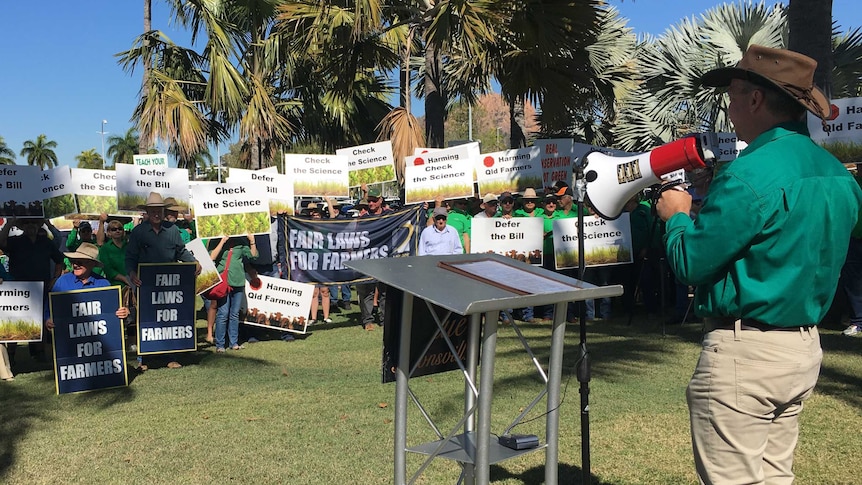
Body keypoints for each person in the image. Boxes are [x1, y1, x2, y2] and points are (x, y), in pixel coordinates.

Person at [656, 45, 862, 485]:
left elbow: (690, 262)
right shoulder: (837, 174)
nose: (728, 109)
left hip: (745, 354)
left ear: (754, 100)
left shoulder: (749, 173)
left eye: (731, 96)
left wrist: (675, 216)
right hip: (803, 352)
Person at [126, 192, 200, 369]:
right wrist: (131, 273)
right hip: (145, 285)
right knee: (146, 319)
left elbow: (181, 251)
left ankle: (171, 357)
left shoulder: (173, 230)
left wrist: (193, 262)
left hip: (170, 283)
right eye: (152, 211)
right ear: (147, 212)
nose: (156, 214)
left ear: (163, 210)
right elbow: (129, 257)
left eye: (159, 210)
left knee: (170, 318)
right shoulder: (138, 232)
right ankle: (145, 360)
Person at [0, 218, 65, 363]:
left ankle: (39, 353)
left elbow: (59, 260)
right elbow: (1, 242)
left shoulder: (46, 242)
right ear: (22, 226)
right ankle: (11, 356)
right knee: (14, 322)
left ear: (38, 225)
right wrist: (10, 222)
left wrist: (55, 278)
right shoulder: (15, 241)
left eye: (34, 223)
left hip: (41, 286)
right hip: (18, 287)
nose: (31, 226)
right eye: (27, 223)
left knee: (39, 320)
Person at [44, 243, 130, 330]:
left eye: (80, 262)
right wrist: (47, 319)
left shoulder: (103, 284)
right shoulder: (62, 282)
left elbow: (112, 310)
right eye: (73, 261)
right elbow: (49, 305)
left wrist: (123, 312)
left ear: (91, 264)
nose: (75, 265)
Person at [210, 234, 258, 352]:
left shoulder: (241, 241)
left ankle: (234, 343)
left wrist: (252, 241)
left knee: (234, 314)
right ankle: (220, 345)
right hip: (223, 282)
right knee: (223, 313)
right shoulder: (215, 240)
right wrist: (222, 241)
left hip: (238, 281)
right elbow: (212, 257)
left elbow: (253, 256)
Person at [356, 188, 392, 331]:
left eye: (373, 200)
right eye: (369, 200)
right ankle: (367, 320)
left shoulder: (390, 215)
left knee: (385, 291)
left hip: (385, 258)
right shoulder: (364, 218)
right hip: (368, 258)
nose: (370, 203)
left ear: (380, 200)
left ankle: (385, 319)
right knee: (367, 290)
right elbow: (357, 237)